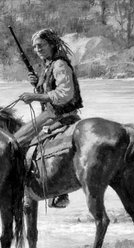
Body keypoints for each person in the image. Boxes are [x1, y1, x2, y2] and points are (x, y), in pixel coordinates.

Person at [14, 28, 83, 208]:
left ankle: (22, 187)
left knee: (14, 142)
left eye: (41, 45)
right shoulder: (50, 65)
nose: (38, 49)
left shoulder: (59, 65)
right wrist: (37, 84)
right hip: (52, 114)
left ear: (52, 44)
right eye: (35, 47)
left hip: (57, 116)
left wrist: (35, 96)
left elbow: (65, 94)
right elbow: (49, 92)